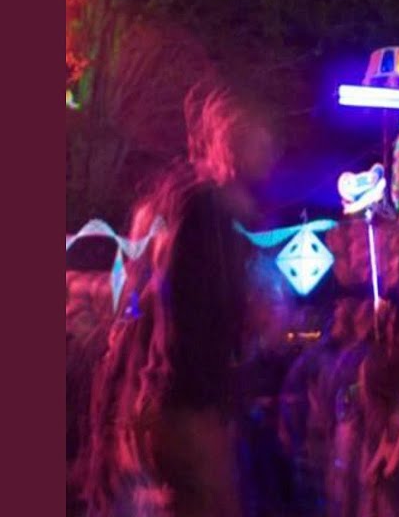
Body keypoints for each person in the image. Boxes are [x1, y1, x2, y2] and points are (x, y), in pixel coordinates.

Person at [86, 84, 277, 517]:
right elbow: (186, 314)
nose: (269, 154)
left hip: (181, 404)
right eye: (259, 140)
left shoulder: (204, 213)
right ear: (230, 143)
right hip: (190, 406)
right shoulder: (205, 213)